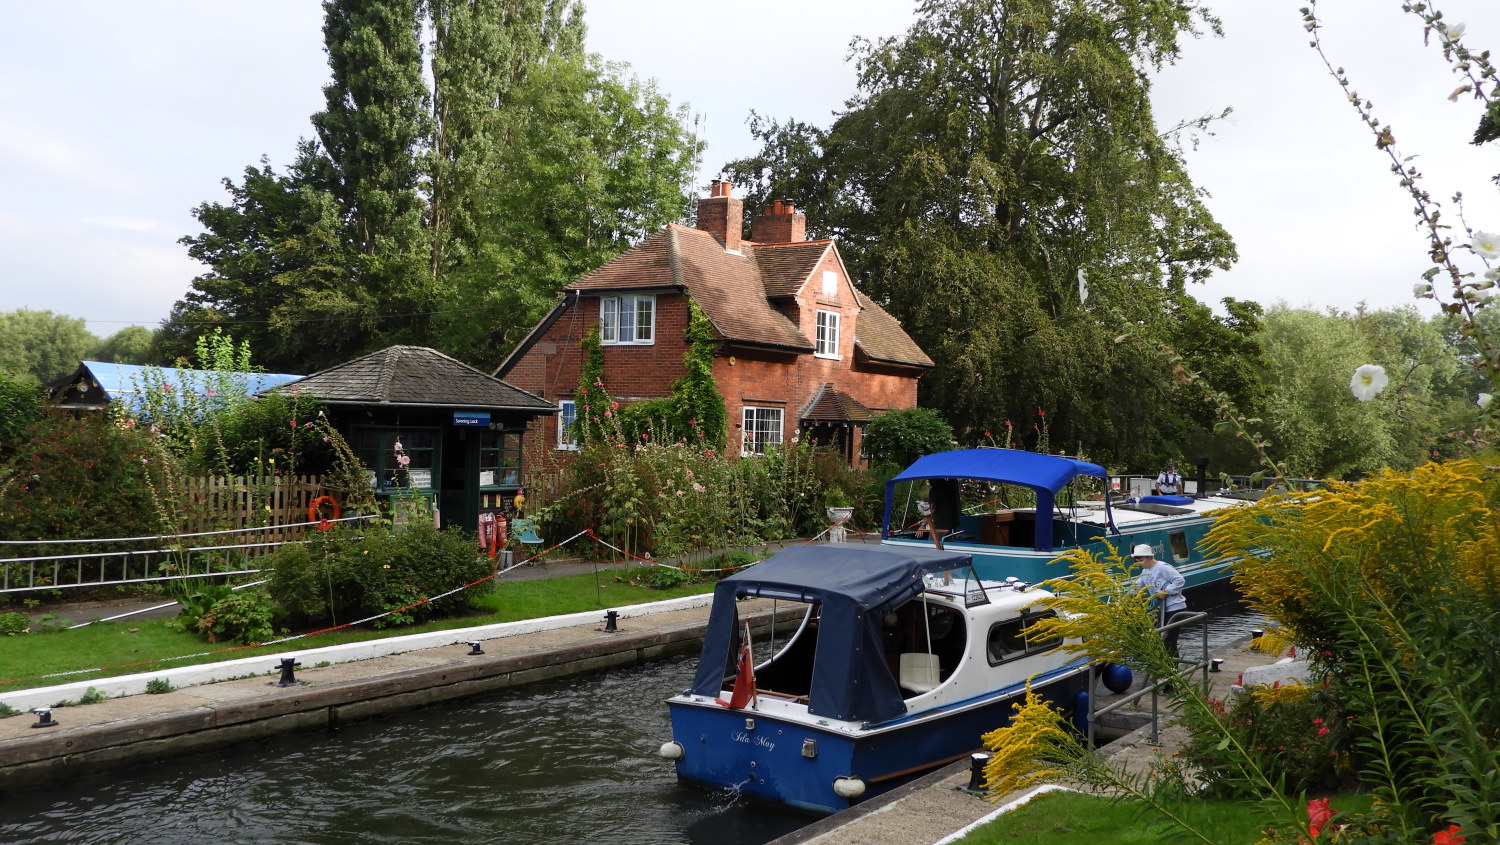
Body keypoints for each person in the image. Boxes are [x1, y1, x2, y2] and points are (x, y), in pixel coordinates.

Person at [1133, 542, 1187, 655]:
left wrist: (1166, 592)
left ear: (1149, 557)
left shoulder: (1162, 567)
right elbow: (1136, 587)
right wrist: (1125, 597)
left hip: (1174, 607)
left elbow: (1180, 580)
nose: (1139, 563)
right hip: (1161, 608)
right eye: (1137, 561)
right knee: (1160, 639)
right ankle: (1166, 667)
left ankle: (1172, 669)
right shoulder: (1145, 571)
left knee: (1168, 640)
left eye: (1141, 560)